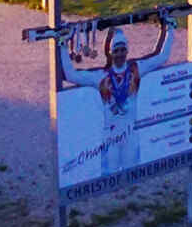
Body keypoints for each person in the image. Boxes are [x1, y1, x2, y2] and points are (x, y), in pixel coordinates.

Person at [59, 17, 175, 178]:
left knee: (132, 176)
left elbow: (162, 57)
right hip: (110, 136)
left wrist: (170, 28)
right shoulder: (101, 76)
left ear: (127, 51)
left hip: (131, 133)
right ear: (111, 53)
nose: (120, 54)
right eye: (116, 50)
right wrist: (62, 44)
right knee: (108, 177)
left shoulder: (136, 69)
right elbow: (71, 75)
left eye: (122, 49)